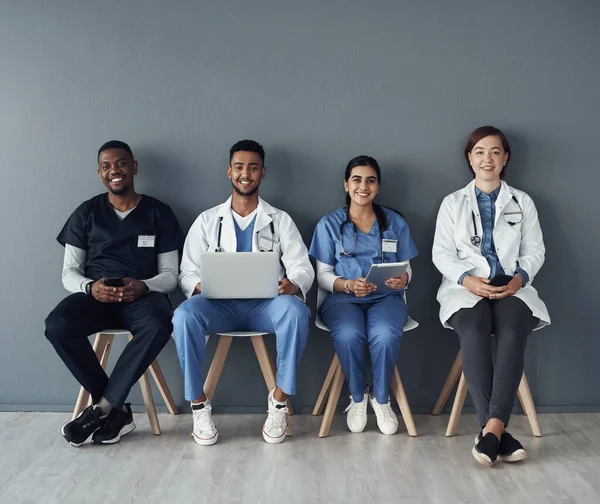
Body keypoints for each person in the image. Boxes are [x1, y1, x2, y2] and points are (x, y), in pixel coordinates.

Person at [173, 139, 314, 445]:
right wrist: (200, 285)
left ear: (263, 173)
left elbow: (302, 267)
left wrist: (293, 283)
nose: (245, 174)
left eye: (253, 167)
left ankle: (278, 402)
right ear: (229, 172)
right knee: (184, 315)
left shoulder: (280, 221)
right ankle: (199, 406)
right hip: (218, 309)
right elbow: (186, 272)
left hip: (266, 308)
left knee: (296, 312)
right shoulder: (207, 221)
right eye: (239, 167)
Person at [44, 140, 184, 447]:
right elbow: (69, 271)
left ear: (133, 167)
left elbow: (171, 276)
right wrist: (89, 287)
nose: (114, 171)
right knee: (57, 325)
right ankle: (116, 408)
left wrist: (145, 285)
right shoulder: (86, 213)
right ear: (99, 173)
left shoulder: (159, 213)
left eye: (120, 163)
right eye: (106, 166)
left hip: (143, 297)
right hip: (97, 296)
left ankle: (103, 409)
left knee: (161, 322)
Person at [432, 126, 550, 466]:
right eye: (480, 152)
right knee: (473, 329)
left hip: (512, 287)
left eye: (495, 152)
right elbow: (441, 254)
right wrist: (467, 281)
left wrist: (519, 279)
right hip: (465, 289)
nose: (488, 159)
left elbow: (535, 251)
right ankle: (497, 430)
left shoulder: (522, 201)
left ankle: (490, 431)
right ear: (470, 159)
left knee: (514, 329)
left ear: (505, 158)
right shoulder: (453, 202)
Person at [309, 155, 418, 435]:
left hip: (386, 299)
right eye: (356, 180)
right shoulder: (330, 224)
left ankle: (381, 398)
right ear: (346, 185)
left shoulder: (394, 222)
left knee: (384, 334)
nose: (363, 186)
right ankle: (357, 396)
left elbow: (407, 269)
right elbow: (321, 275)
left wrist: (403, 279)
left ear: (378, 186)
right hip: (342, 299)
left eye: (370, 180)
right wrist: (347, 285)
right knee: (348, 334)